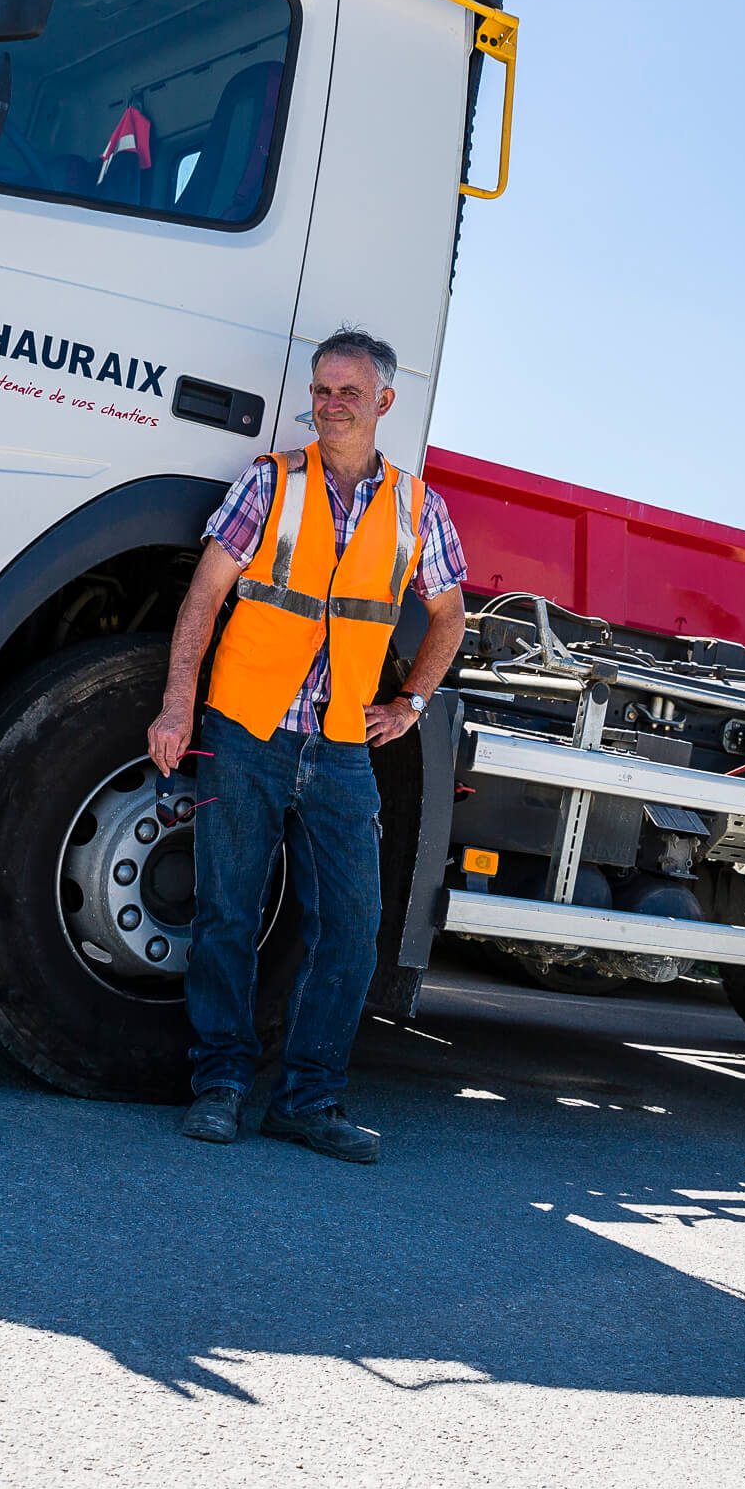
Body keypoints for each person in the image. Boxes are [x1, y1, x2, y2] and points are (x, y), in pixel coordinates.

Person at [147, 328, 468, 1164]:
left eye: (349, 393)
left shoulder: (416, 507)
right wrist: (179, 702)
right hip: (246, 730)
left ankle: (308, 1100)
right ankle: (220, 1087)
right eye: (323, 390)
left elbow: (451, 614)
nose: (331, 405)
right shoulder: (270, 482)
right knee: (226, 912)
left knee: (353, 931)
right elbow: (205, 594)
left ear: (384, 403)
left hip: (341, 748)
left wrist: (411, 703)